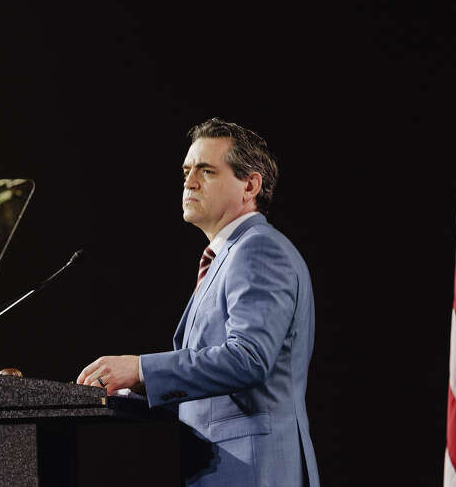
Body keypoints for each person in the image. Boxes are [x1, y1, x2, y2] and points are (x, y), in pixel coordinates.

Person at [76, 118, 320, 486]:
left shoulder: (259, 250)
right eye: (187, 170)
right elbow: (208, 389)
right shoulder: (226, 257)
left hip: (255, 471)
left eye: (206, 171)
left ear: (250, 185)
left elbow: (248, 359)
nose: (189, 182)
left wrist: (142, 369)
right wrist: (134, 390)